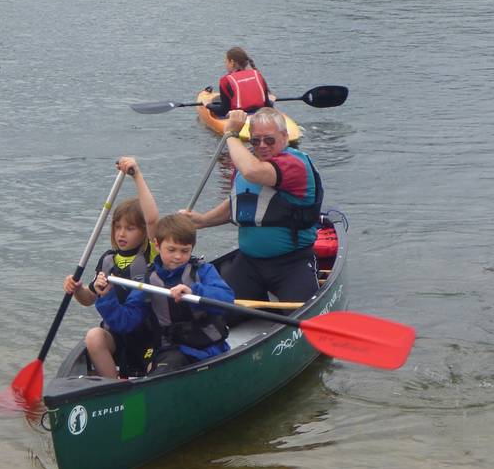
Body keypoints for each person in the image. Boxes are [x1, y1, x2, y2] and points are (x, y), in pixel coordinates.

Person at [184, 107, 323, 302]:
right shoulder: (246, 163)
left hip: (292, 262)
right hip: (249, 263)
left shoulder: (294, 164)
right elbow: (239, 201)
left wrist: (231, 134)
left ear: (284, 136)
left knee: (299, 317)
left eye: (269, 140)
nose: (262, 145)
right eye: (255, 140)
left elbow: (253, 172)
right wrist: (201, 220)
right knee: (217, 314)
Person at [93, 213, 235, 375]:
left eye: (184, 251)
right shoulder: (148, 281)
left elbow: (227, 301)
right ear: (158, 246)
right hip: (172, 348)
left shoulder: (203, 271)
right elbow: (126, 322)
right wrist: (106, 297)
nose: (178, 256)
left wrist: (195, 291)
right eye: (171, 250)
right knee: (163, 368)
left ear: (192, 248)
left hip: (209, 346)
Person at [63, 157, 159, 379]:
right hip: (116, 335)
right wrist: (77, 289)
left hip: (147, 336)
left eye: (130, 228)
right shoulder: (107, 260)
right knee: (94, 336)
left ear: (143, 232)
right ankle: (112, 387)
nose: (121, 234)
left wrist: (137, 175)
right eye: (118, 227)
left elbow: (152, 218)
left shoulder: (150, 254)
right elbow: (89, 298)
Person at [210, 46, 274, 117]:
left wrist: (207, 105)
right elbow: (267, 105)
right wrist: (271, 101)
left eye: (226, 61)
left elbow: (223, 111)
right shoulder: (257, 74)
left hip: (240, 118)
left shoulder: (225, 81)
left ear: (231, 62)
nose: (225, 64)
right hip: (259, 115)